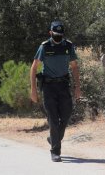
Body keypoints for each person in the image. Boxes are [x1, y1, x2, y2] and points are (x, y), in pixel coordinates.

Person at [30, 21, 81, 162]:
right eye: (55, 34)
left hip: (64, 86)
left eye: (60, 35)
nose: (58, 37)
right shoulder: (44, 47)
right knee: (53, 118)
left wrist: (78, 87)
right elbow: (34, 68)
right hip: (48, 88)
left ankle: (54, 138)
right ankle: (55, 151)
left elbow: (74, 67)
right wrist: (33, 90)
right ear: (50, 33)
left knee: (66, 114)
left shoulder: (68, 46)